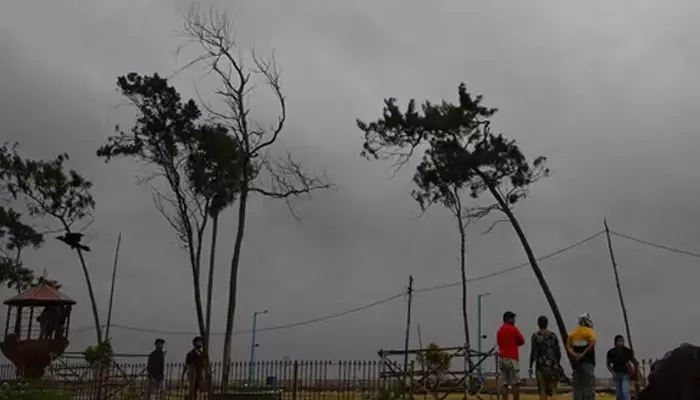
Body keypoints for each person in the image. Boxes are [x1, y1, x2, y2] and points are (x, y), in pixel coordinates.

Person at [528, 316, 562, 400]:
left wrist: (530, 366)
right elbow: (558, 352)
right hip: (552, 366)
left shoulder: (535, 336)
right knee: (553, 390)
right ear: (547, 324)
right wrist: (557, 364)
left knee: (542, 391)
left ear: (538, 324)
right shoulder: (553, 335)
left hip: (540, 367)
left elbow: (533, 352)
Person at [567, 313, 596, 400]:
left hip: (576, 363)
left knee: (578, 386)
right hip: (588, 362)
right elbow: (592, 344)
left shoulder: (572, 333)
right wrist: (583, 354)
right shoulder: (590, 332)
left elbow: (568, 347)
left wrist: (575, 355)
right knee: (588, 385)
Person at [496, 311, 525, 400]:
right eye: (513, 318)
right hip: (512, 359)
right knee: (515, 383)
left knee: (504, 383)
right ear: (509, 319)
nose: (514, 320)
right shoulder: (513, 329)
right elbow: (522, 341)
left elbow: (499, 343)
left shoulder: (499, 331)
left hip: (502, 358)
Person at [606, 335, 637, 400]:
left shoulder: (627, 351)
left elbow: (632, 363)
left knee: (625, 392)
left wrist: (632, 373)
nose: (621, 343)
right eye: (619, 341)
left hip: (625, 374)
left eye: (622, 341)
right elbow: (608, 364)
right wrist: (612, 373)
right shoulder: (611, 352)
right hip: (617, 374)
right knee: (619, 394)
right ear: (615, 342)